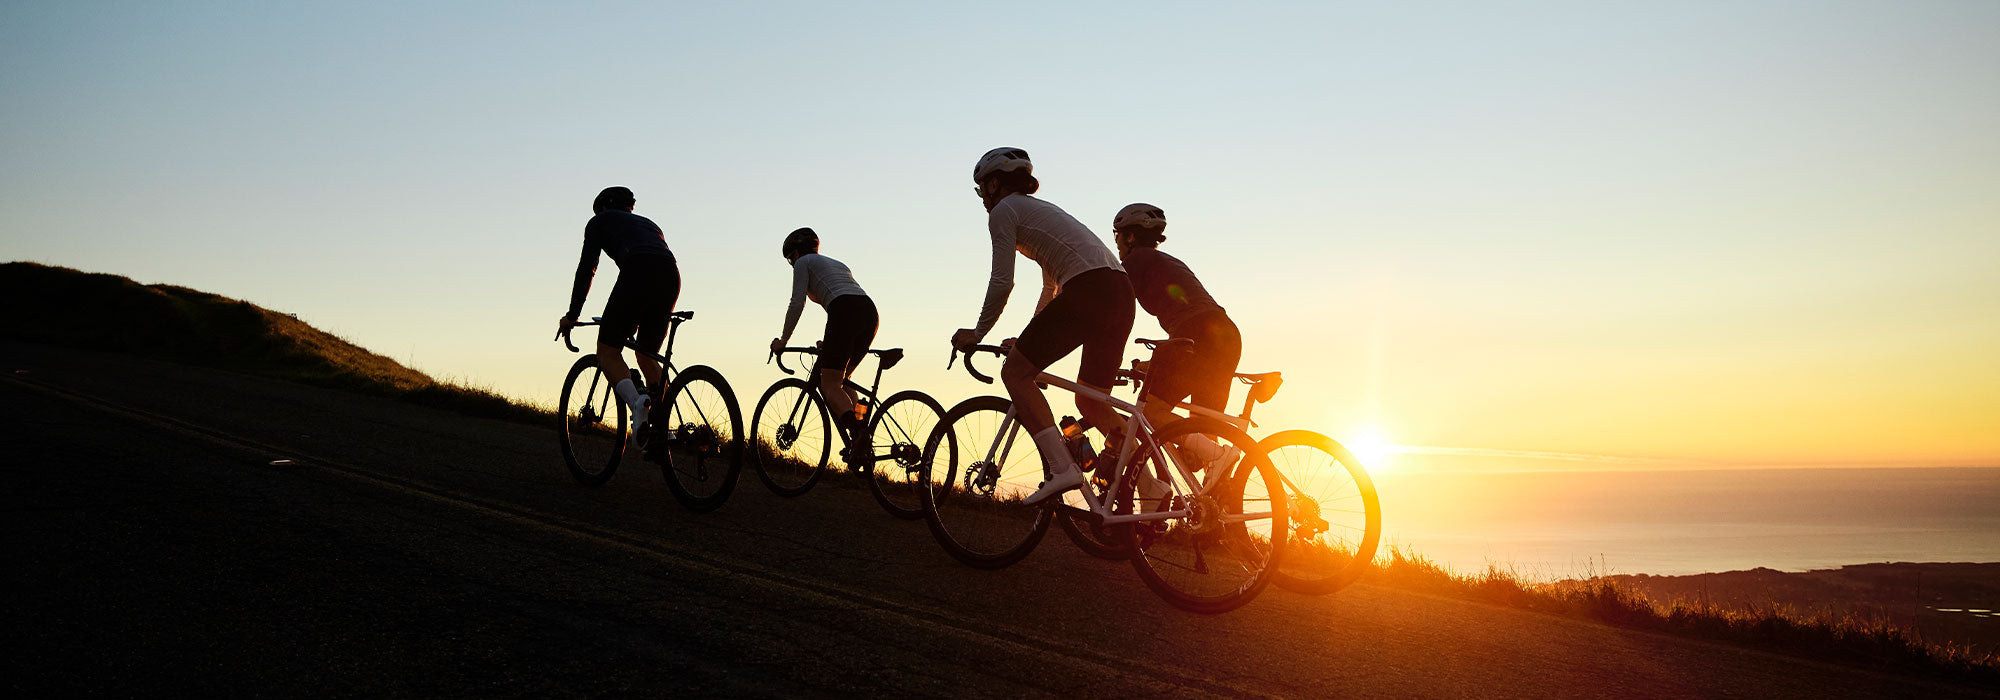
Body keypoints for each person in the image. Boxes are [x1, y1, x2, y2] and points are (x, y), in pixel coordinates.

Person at [950, 147, 1135, 506]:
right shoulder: (1041, 211)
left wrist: (978, 332)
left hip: (1089, 288)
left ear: (993, 184)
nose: (982, 198)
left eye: (981, 189)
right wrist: (1028, 338)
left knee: (1015, 373)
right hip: (1120, 291)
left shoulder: (1004, 211)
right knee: (1091, 398)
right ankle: (1151, 485)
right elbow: (1050, 289)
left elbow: (1002, 281)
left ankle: (1062, 467)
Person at [1112, 203, 1243, 490]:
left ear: (1130, 236)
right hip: (1225, 335)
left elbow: (1115, 311)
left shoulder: (1136, 261)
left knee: (1151, 411)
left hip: (1197, 336)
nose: (1117, 242)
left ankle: (1219, 456)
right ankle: (1218, 509)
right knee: (1203, 431)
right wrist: (1153, 364)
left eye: (1117, 235)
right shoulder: (1167, 261)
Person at [555, 186, 681, 433]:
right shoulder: (650, 225)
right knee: (647, 355)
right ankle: (660, 428)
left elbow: (587, 268)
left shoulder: (598, 222)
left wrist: (572, 315)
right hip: (671, 274)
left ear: (604, 207)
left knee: (607, 351)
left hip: (638, 270)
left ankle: (637, 404)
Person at [768, 227, 879, 453]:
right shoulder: (837, 264)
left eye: (790, 258)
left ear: (796, 253)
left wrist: (783, 340)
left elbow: (797, 303)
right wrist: (830, 343)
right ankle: (862, 430)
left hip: (844, 311)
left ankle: (858, 433)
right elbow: (844, 302)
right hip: (869, 313)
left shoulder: (803, 263)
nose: (791, 263)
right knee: (843, 380)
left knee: (829, 384)